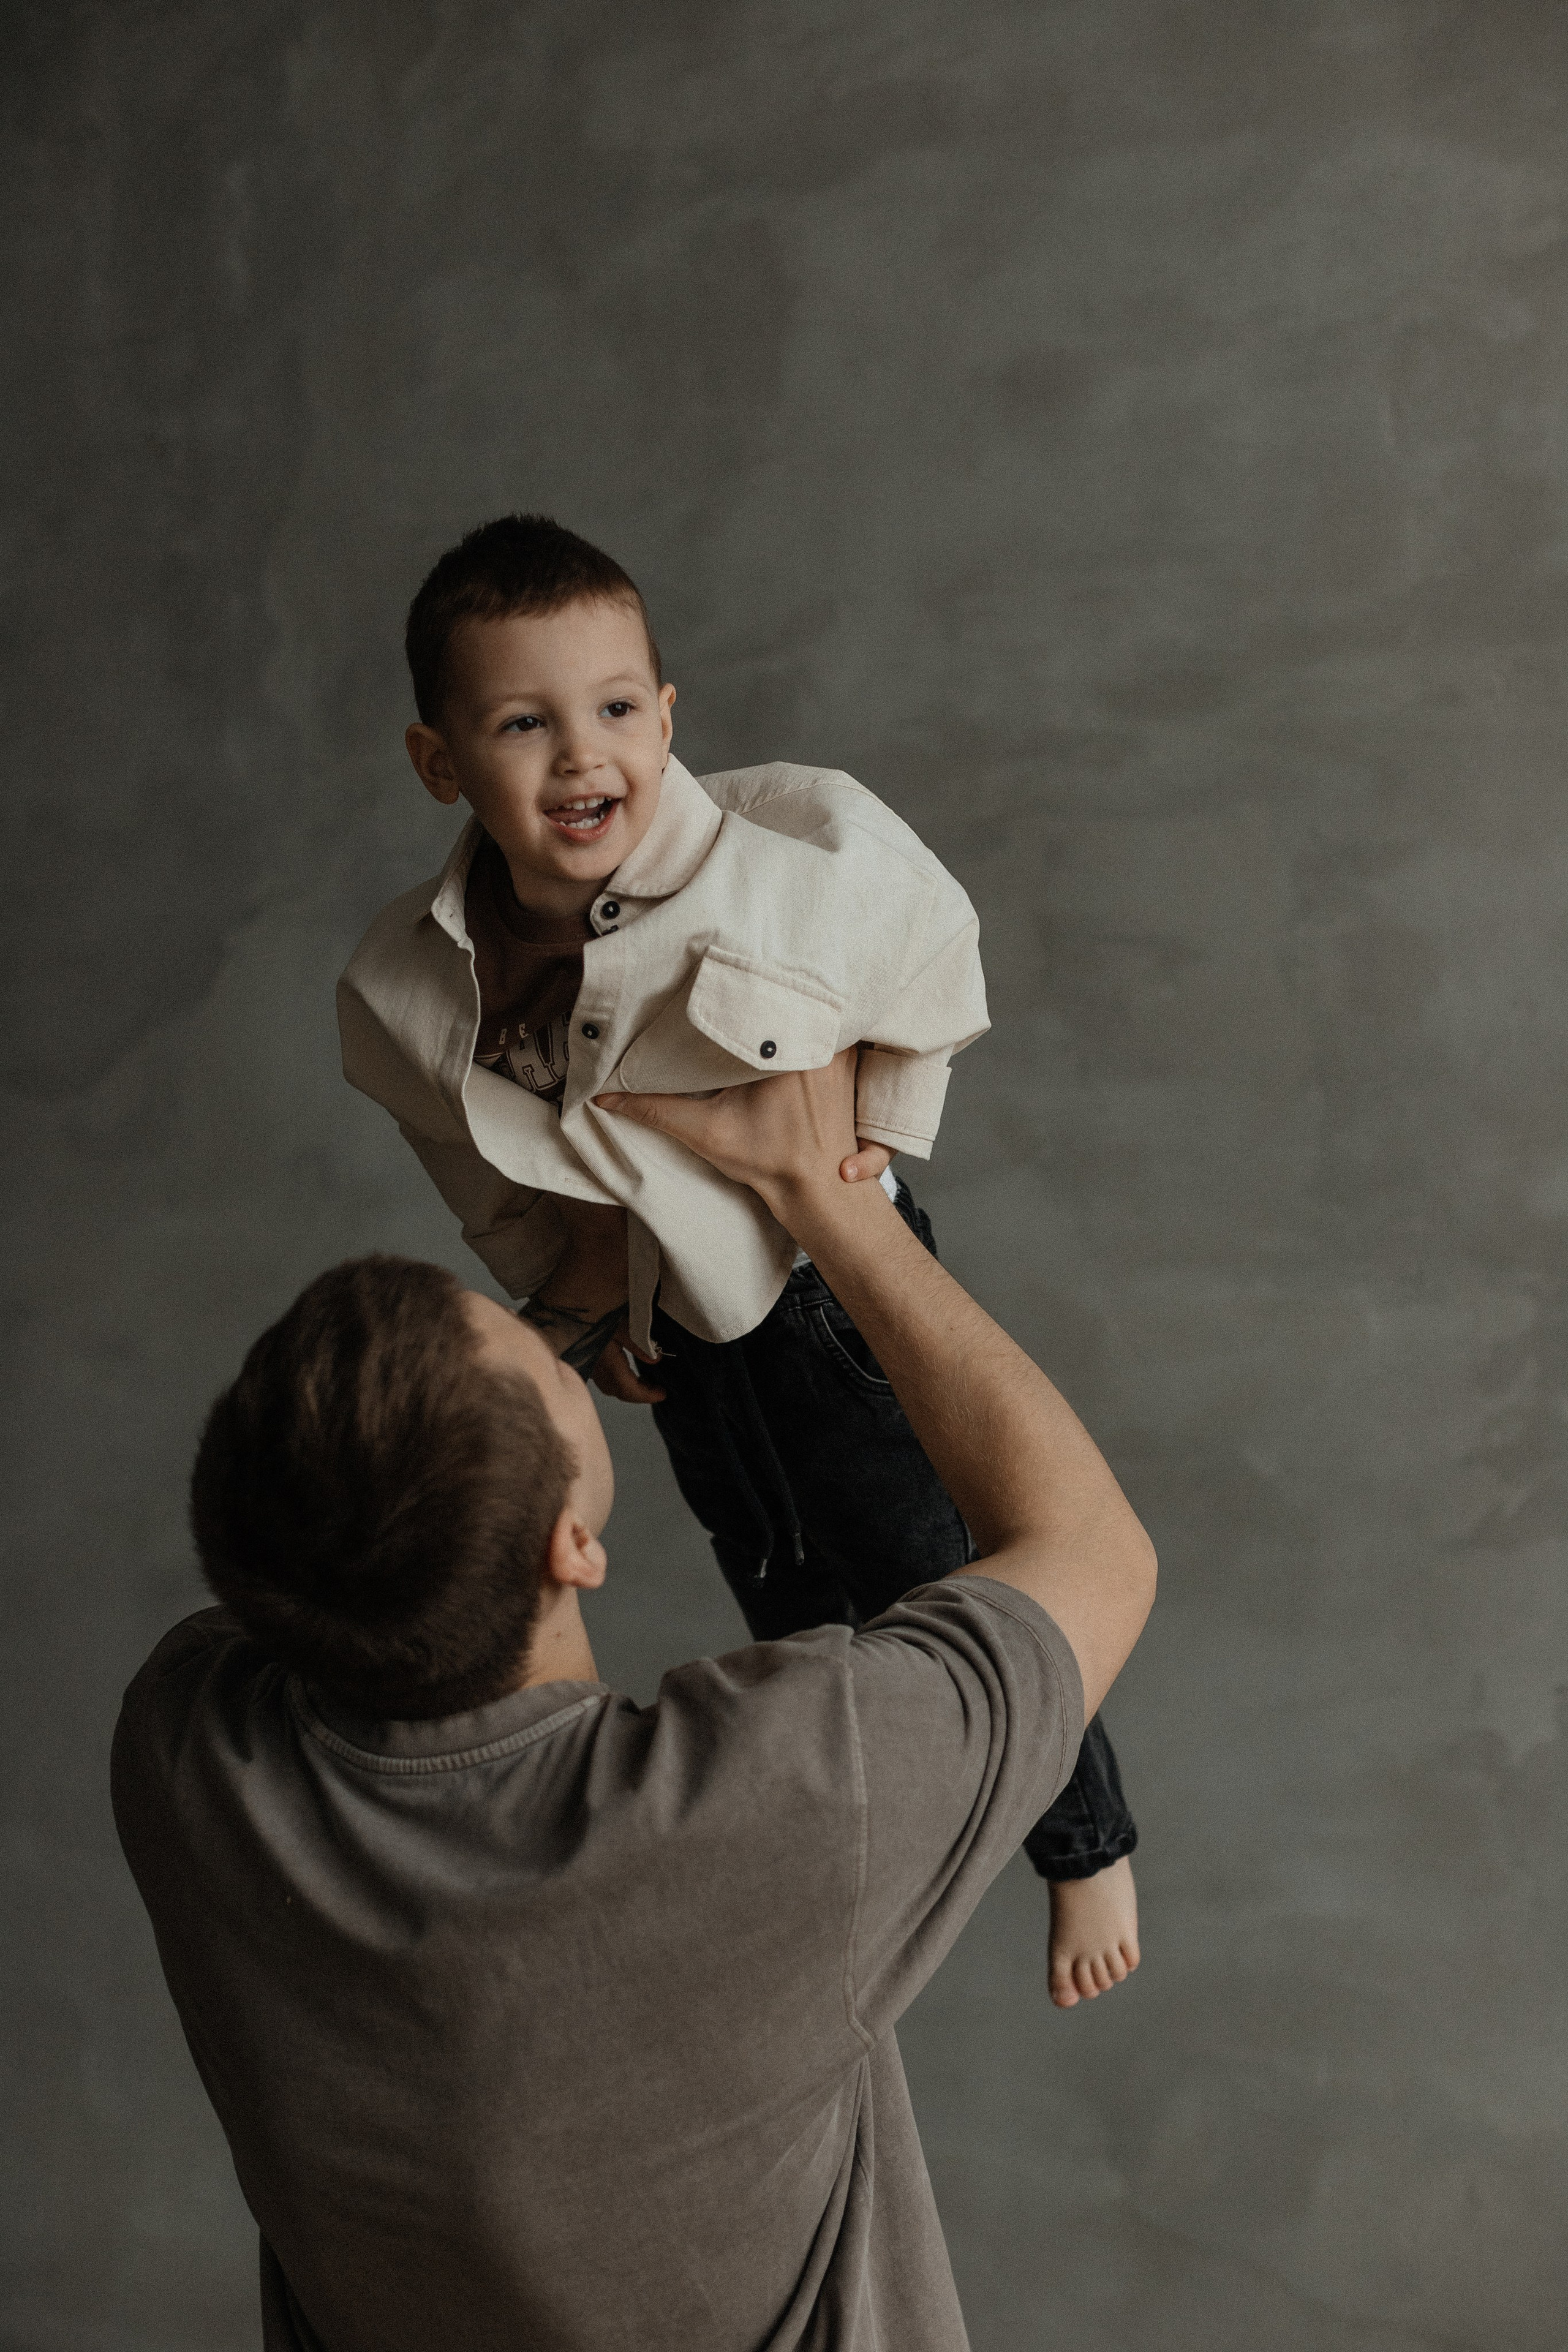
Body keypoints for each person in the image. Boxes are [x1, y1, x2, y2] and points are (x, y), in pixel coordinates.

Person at [112, 1052, 1156, 2352]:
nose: (561, 1339)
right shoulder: (781, 1792)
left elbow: (320, 1543)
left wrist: (570, 1301)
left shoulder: (183, 1753)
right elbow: (1094, 1552)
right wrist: (825, 1200)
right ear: (571, 1547)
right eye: (549, 1365)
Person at [337, 513, 1140, 2002]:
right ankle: (865, 1866)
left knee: (940, 1567)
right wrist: (575, 1308)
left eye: (617, 710)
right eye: (523, 723)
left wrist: (870, 1154)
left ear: (667, 715)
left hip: (834, 1290)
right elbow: (474, 1160)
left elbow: (934, 954)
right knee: (779, 1591)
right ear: (440, 762)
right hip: (680, 1329)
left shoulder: (788, 850)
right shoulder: (405, 983)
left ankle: (1082, 1841)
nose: (584, 757)